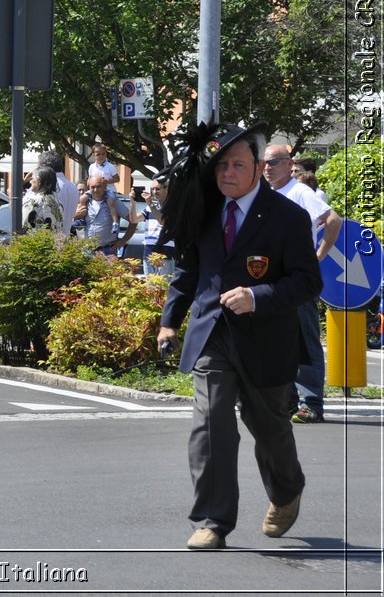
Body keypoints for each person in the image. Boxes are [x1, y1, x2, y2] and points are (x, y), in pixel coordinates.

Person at [156, 123, 322, 551]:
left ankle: (287, 491)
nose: (228, 172)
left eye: (238, 165)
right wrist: (169, 320)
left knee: (268, 429)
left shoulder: (288, 216)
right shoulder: (205, 210)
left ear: (258, 168)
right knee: (211, 425)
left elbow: (308, 282)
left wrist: (257, 295)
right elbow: (188, 272)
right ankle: (212, 520)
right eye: (221, 165)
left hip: (266, 339)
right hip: (212, 334)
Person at [263, 143, 341, 424]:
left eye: (273, 163)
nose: (267, 168)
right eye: (265, 163)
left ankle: (311, 403)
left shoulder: (299, 191)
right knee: (279, 340)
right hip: (273, 279)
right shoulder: (267, 195)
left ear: (288, 163)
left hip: (297, 277)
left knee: (305, 340)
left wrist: (318, 257)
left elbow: (333, 220)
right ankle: (288, 401)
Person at [78, 173, 132, 257]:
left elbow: (133, 221)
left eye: (98, 186)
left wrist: (123, 240)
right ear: (89, 188)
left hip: (107, 250)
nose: (95, 190)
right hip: (88, 250)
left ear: (105, 187)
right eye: (92, 187)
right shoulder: (86, 202)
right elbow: (70, 219)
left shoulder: (114, 202)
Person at [21, 167, 66, 234]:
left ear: (39, 181)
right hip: (54, 242)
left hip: (35, 242)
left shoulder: (32, 201)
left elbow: (23, 225)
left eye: (32, 179)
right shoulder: (58, 202)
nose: (30, 181)